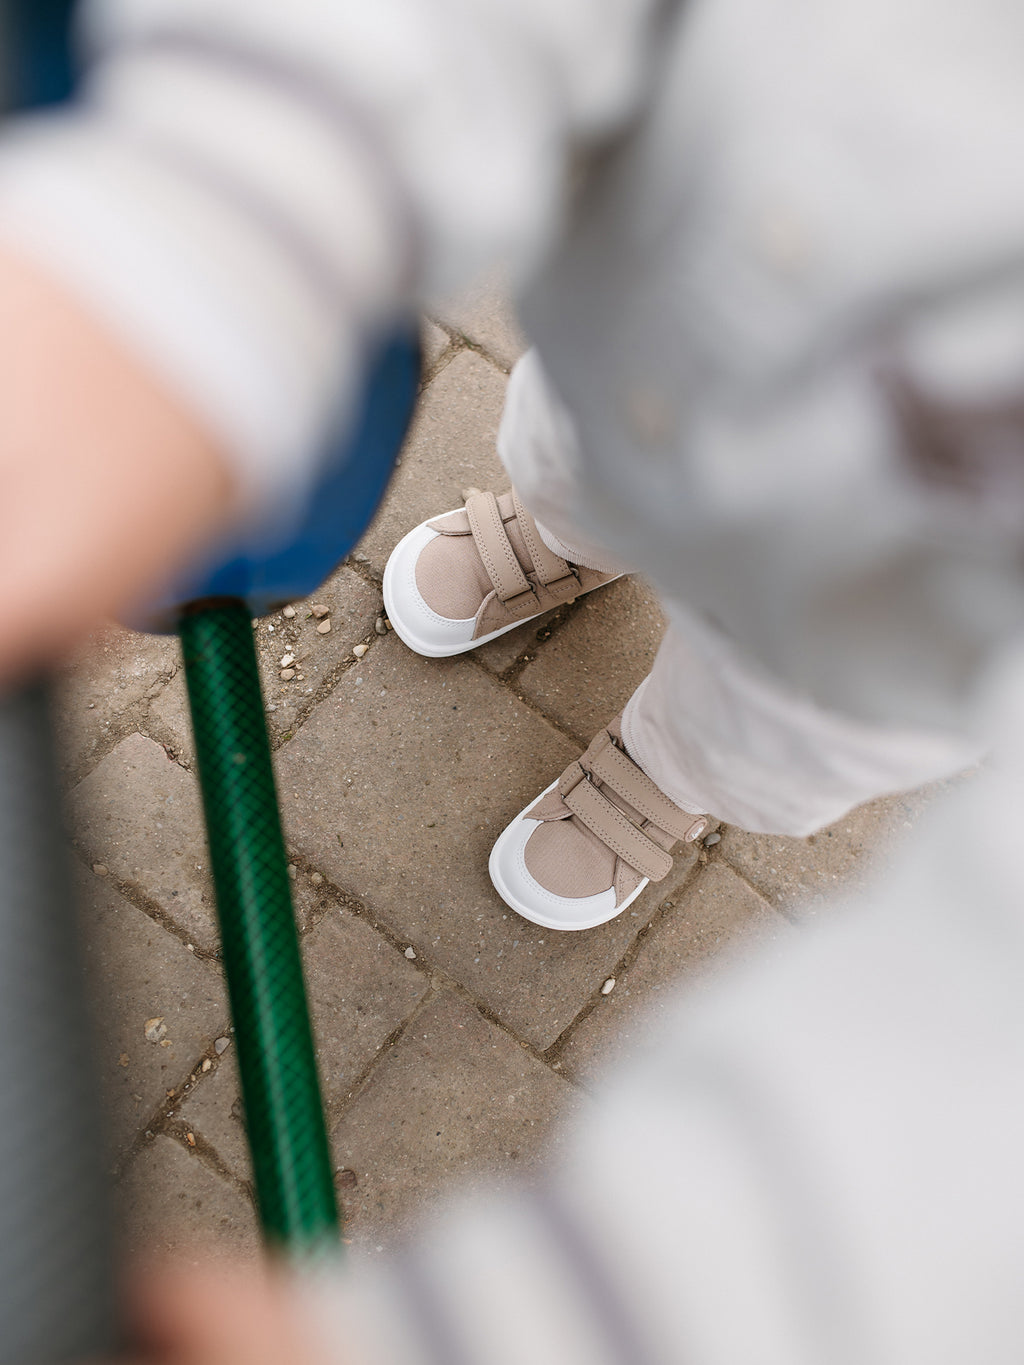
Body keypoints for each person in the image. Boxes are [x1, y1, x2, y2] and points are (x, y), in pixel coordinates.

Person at [0, 0, 1023, 1357]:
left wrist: (608, 1302)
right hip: (650, 348)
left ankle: (673, 773)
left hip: (895, 637)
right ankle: (569, 534)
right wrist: (229, 201)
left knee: (773, 733)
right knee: (569, 462)